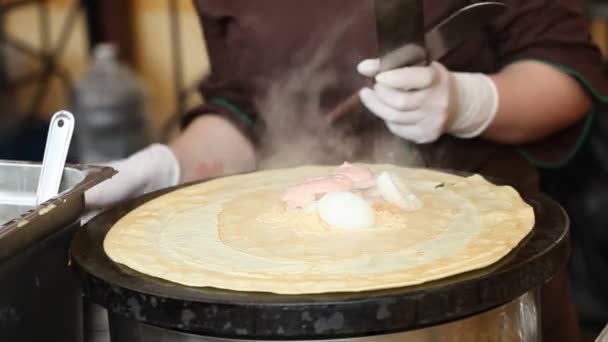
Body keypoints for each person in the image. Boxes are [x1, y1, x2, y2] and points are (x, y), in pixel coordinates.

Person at [85, 0, 608, 340]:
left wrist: (470, 103)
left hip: (480, 289)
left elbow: (570, 75)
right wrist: (174, 165)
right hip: (283, 300)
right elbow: (247, 112)